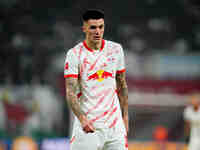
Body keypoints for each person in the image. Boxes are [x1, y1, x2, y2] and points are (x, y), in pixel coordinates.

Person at [64, 9, 129, 150]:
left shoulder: (116, 50)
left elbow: (122, 84)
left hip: (114, 126)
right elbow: (70, 92)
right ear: (84, 28)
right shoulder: (75, 54)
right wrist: (82, 119)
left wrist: (125, 116)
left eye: (101, 27)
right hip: (89, 126)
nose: (97, 31)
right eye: (93, 27)